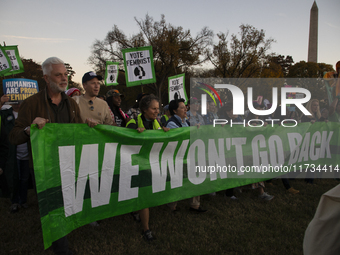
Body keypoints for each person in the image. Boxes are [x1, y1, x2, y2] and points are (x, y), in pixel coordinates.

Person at [9, 57, 83, 255]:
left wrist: (90, 127)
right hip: (45, 167)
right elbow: (14, 137)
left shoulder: (72, 105)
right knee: (53, 207)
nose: (63, 79)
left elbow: (80, 132)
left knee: (65, 206)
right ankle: (61, 249)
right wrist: (29, 129)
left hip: (68, 164)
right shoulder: (31, 104)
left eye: (65, 75)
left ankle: (59, 240)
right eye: (58, 75)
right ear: (46, 77)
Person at [126, 94, 169, 241]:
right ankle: (146, 229)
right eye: (154, 109)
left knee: (141, 193)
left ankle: (135, 211)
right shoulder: (133, 122)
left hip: (151, 163)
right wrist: (134, 133)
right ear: (144, 109)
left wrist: (166, 133)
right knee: (143, 195)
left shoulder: (158, 123)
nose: (157, 112)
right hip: (135, 165)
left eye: (158, 108)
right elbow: (124, 138)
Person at [166, 98, 207, 212]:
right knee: (177, 182)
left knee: (195, 178)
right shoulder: (172, 124)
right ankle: (172, 206)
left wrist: (196, 130)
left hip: (189, 156)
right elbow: (179, 139)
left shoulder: (186, 122)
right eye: (182, 107)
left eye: (185, 107)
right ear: (175, 111)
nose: (185, 109)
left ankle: (195, 205)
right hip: (179, 158)